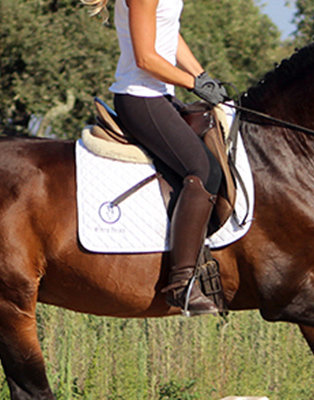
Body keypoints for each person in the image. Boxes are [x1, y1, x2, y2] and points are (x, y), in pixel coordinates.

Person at [86, 0, 229, 315]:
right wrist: (193, 84)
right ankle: (182, 283)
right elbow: (146, 58)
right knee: (203, 169)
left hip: (161, 96)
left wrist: (203, 76)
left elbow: (169, 33)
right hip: (139, 98)